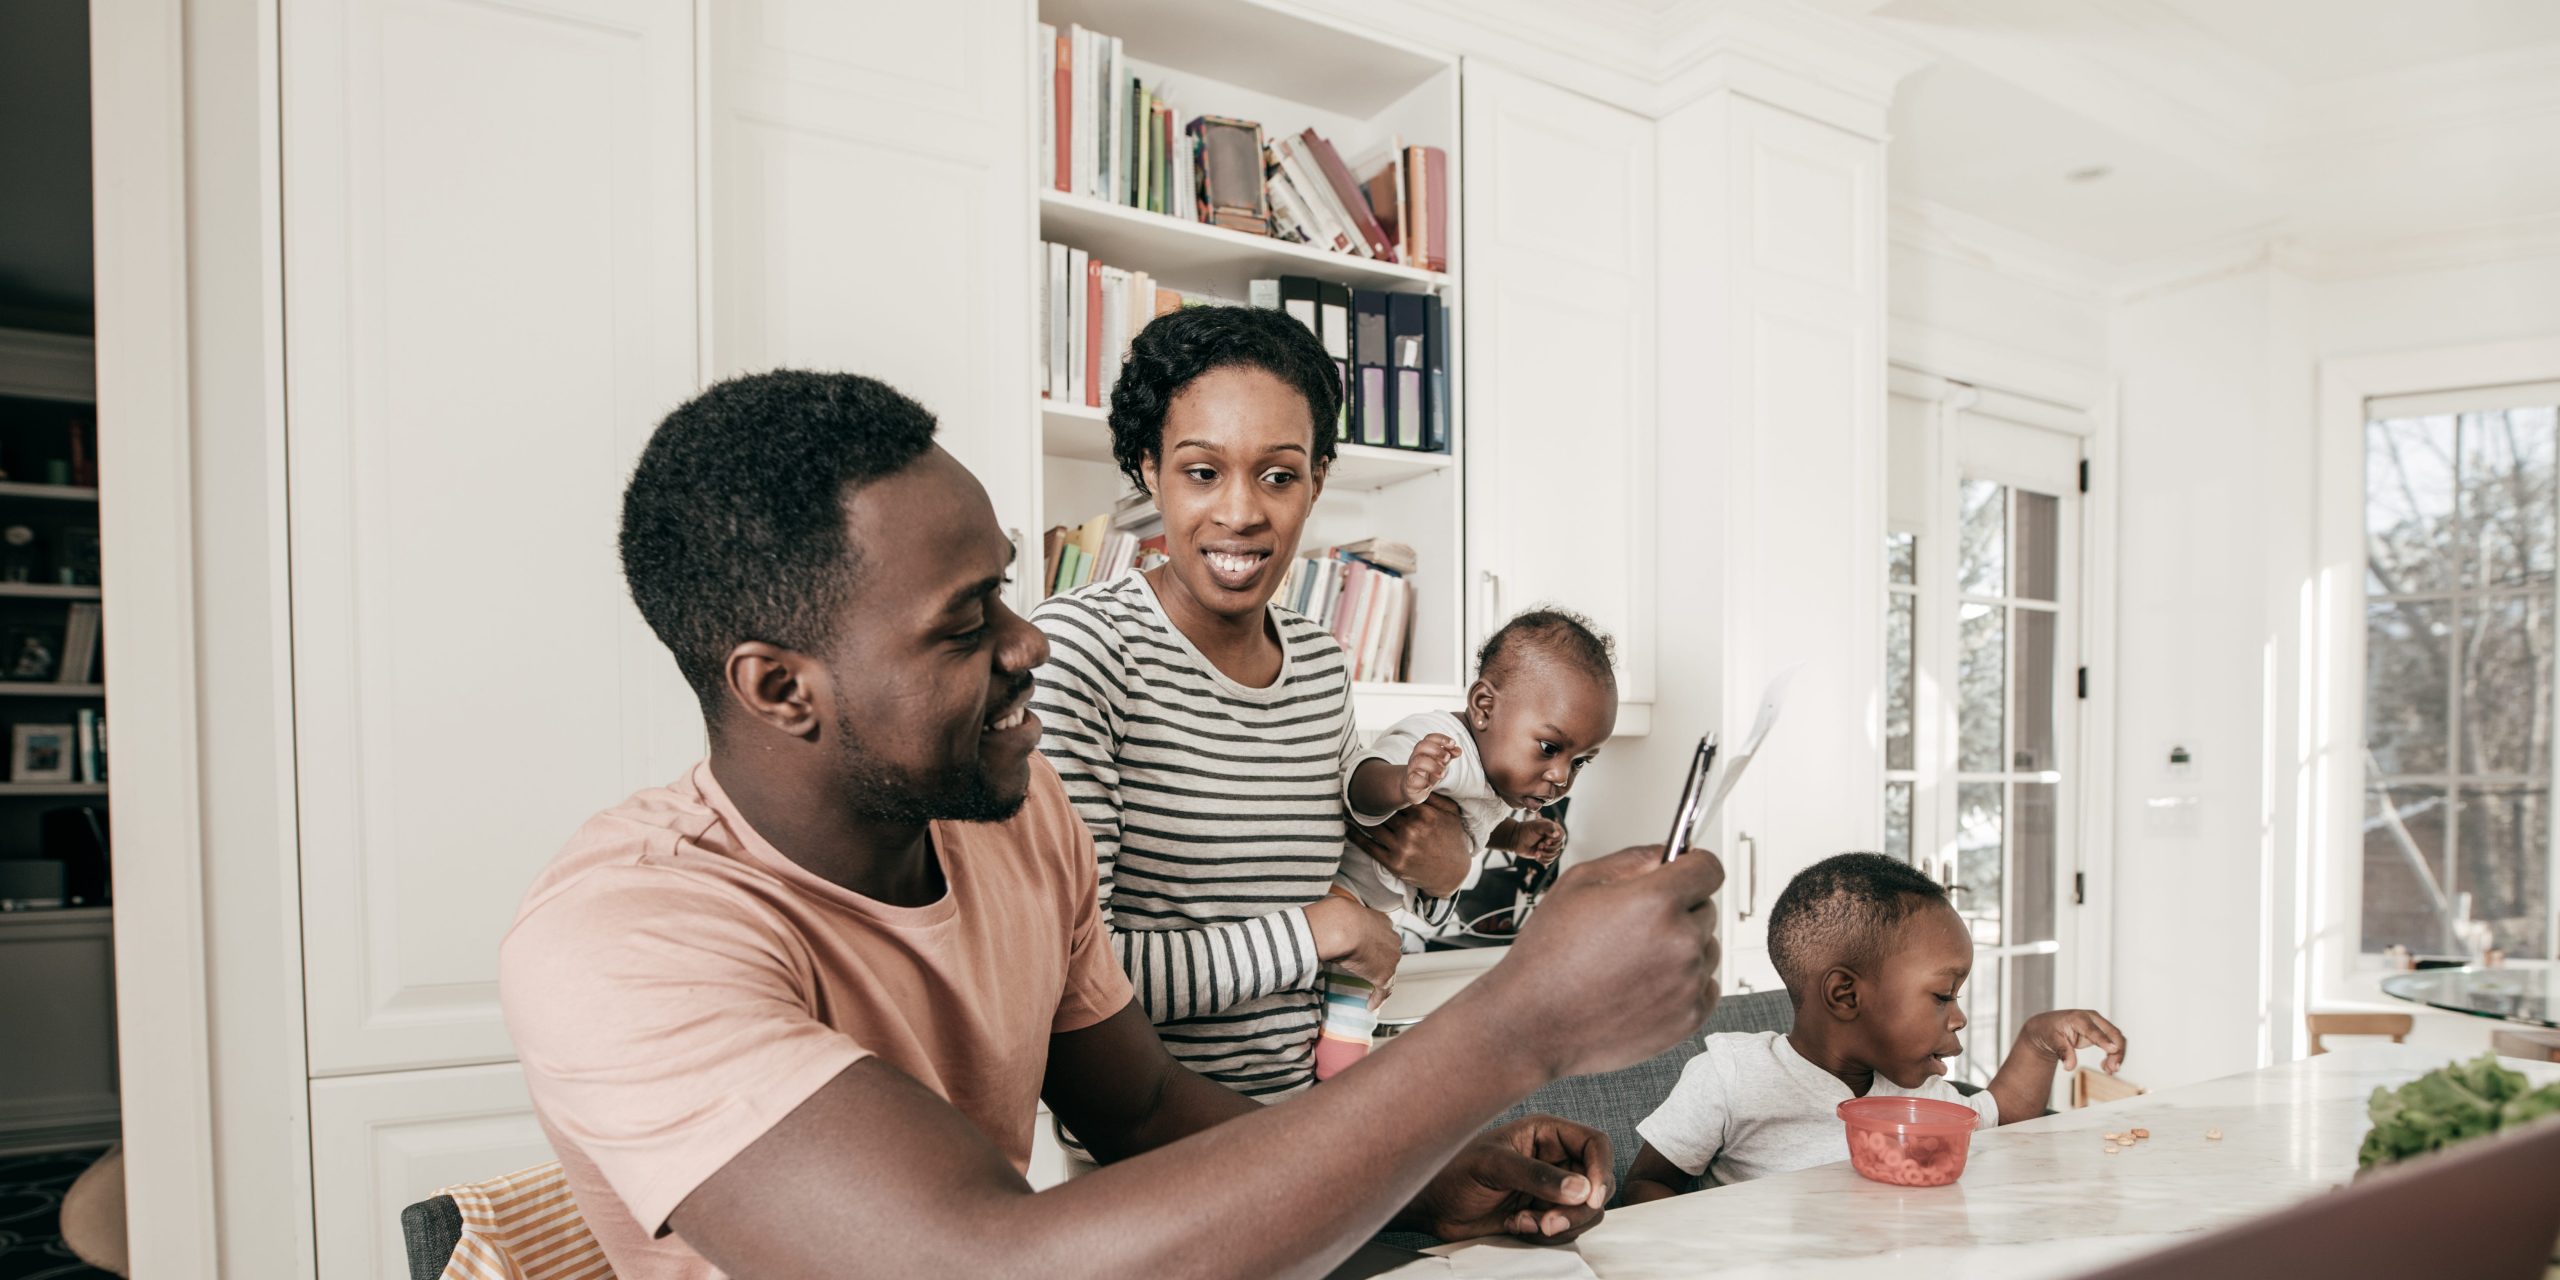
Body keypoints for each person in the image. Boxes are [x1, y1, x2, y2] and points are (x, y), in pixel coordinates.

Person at [497, 370, 1727, 1279]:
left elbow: (1138, 1109)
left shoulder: (1017, 825)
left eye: (1007, 591)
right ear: (780, 687)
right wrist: (1516, 1028)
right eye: (967, 619)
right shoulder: (621, 937)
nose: (1031, 642)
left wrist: (1425, 1170)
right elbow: (983, 1266)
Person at [1031, 306, 1478, 1103]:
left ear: (1318, 479)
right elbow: (1071, 976)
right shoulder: (1082, 651)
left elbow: (1367, 896)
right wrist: (1317, 933)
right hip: (1144, 1151)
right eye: (1202, 471)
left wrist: (1442, 866)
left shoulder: (1317, 662)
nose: (1240, 512)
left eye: (1278, 474)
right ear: (1148, 468)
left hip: (1313, 1123)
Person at [1622, 852, 2125, 1200]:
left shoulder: (1924, 1096)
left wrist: (2036, 1041)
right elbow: (1647, 1185)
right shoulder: (1731, 1075)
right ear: (1846, 996)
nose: (1959, 1017)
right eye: (1942, 995)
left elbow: (2004, 1123)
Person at [1318, 610, 1620, 1079]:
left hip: (1369, 915)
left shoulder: (1494, 782)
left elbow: (1474, 827)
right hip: (1337, 896)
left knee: (1357, 1016)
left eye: (1580, 762)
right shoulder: (1443, 746)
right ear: (1483, 706)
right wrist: (1402, 782)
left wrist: (1515, 837)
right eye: (1549, 748)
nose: (1562, 777)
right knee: (1348, 1026)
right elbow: (1358, 783)